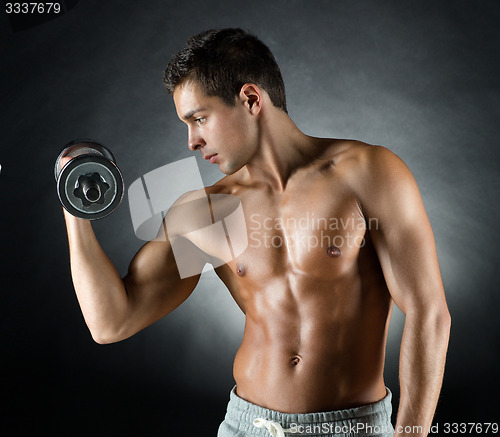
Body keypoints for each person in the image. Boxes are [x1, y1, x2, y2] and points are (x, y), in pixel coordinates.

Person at [61, 28, 451, 436]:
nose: (192, 141)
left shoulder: (368, 173)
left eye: (199, 118)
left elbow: (430, 313)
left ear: (250, 99)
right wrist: (74, 209)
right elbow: (111, 323)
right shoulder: (207, 211)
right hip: (248, 426)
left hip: (352, 427)